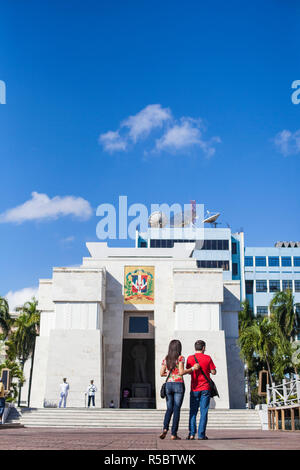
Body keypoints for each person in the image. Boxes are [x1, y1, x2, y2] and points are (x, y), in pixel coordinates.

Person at [159, 339, 200, 440]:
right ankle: (173, 434)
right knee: (176, 409)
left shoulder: (166, 358)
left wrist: (170, 374)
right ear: (179, 348)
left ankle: (165, 428)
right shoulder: (180, 358)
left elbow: (161, 373)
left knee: (169, 408)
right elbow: (181, 372)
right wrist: (192, 368)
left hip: (168, 385)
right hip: (178, 385)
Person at [186, 340, 216, 440]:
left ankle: (191, 433)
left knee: (193, 411)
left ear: (195, 347)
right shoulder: (208, 358)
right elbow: (213, 372)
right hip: (205, 389)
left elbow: (189, 371)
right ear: (203, 348)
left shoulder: (190, 358)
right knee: (204, 412)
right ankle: (201, 434)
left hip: (194, 388)